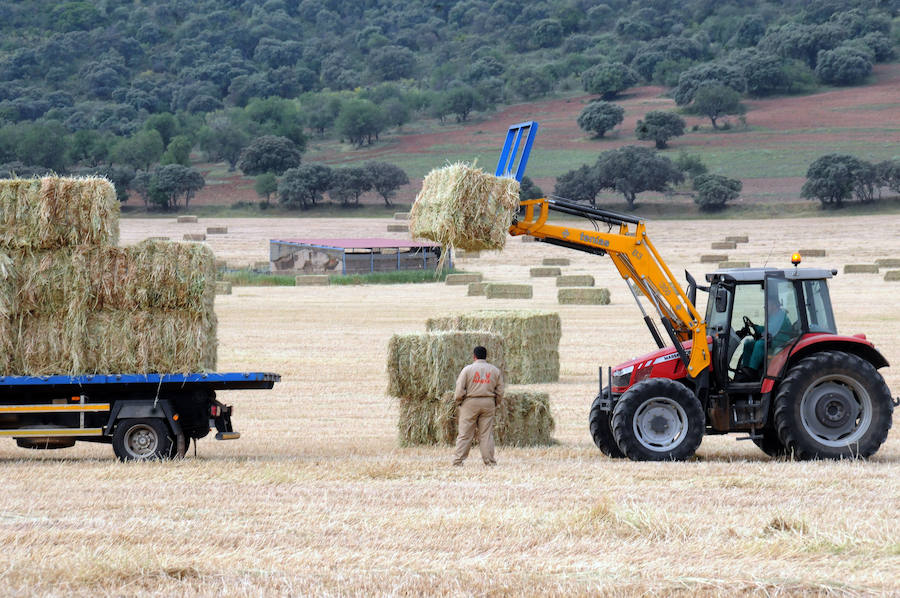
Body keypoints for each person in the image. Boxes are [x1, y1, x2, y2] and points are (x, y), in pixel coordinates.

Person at [452, 345, 504, 466]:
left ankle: (458, 461)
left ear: (474, 356)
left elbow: (459, 389)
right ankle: (490, 462)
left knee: (465, 434)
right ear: (486, 356)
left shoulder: (467, 370)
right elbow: (500, 391)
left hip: (470, 403)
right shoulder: (495, 370)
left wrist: (459, 401)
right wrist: (495, 402)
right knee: (486, 434)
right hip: (488, 403)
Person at [735, 294, 794, 381]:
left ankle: (752, 371)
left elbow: (770, 330)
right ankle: (745, 369)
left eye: (767, 306)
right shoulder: (773, 316)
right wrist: (754, 326)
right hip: (774, 339)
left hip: (781, 342)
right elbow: (767, 329)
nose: (765, 308)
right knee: (748, 343)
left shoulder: (780, 315)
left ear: (774, 305)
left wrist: (758, 329)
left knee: (760, 344)